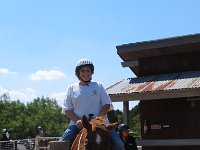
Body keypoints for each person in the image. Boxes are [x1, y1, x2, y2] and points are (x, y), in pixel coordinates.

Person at [59, 59, 124, 150]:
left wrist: (97, 120)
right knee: (60, 144)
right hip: (77, 124)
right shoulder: (71, 88)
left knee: (119, 144)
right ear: (78, 73)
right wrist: (77, 121)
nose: (85, 73)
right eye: (83, 71)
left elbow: (107, 105)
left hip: (101, 125)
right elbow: (67, 109)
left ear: (92, 72)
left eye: (88, 71)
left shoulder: (98, 86)